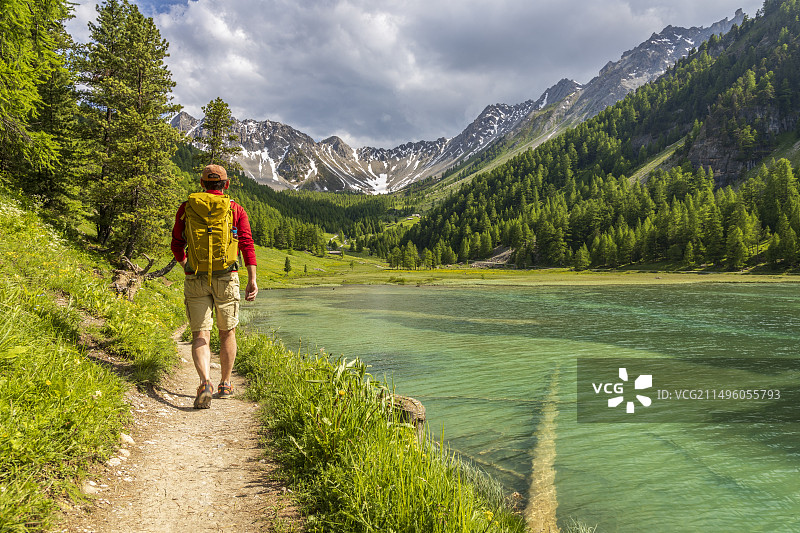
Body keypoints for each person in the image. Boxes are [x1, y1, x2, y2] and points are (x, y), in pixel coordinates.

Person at [171, 164, 258, 409]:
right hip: (226, 277)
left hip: (196, 277)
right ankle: (226, 383)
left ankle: (205, 382)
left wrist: (186, 265)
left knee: (200, 333)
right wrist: (252, 279)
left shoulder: (187, 207)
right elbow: (247, 244)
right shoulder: (235, 208)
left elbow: (176, 243)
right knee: (227, 332)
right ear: (226, 184)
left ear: (202, 184)